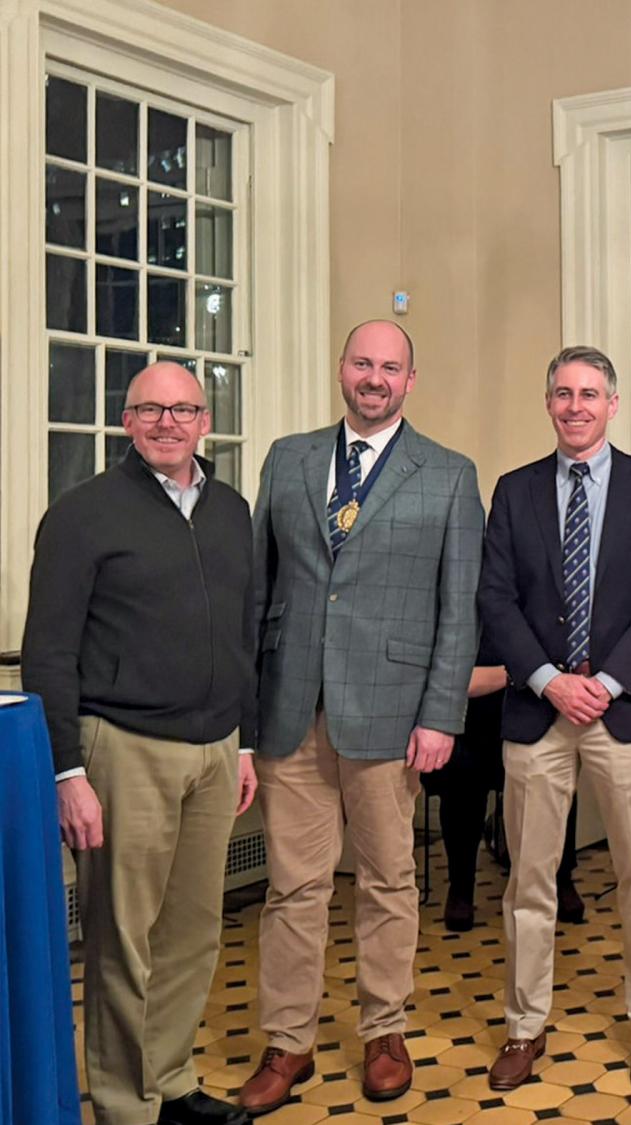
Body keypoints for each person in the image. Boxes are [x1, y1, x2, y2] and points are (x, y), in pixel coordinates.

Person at [240, 320, 484, 1112]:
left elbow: (460, 610)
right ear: (342, 370)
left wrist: (442, 713)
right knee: (293, 887)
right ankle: (288, 1043)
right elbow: (257, 588)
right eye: (362, 363)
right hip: (290, 708)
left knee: (387, 880)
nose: (374, 377)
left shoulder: (448, 474)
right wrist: (245, 715)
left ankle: (384, 1028)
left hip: (392, 713)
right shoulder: (289, 458)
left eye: (390, 366)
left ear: (412, 380)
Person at [22, 362, 257, 1125]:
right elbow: (48, 652)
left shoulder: (231, 510)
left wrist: (246, 745)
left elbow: (247, 634)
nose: (167, 422)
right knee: (124, 940)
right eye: (150, 409)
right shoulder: (82, 514)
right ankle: (127, 1107)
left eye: (183, 409)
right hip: (122, 749)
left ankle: (174, 1079)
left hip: (216, 751)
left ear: (205, 421)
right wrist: (67, 770)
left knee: (192, 931)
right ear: (126, 421)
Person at [478, 345, 631, 1092]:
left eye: (589, 393)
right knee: (529, 881)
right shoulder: (515, 490)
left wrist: (607, 680)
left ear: (613, 404)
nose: (575, 406)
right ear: (549, 403)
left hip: (622, 711)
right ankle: (523, 1026)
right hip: (537, 712)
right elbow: (495, 598)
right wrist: (549, 679)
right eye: (563, 393)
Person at [427, 662, 584, 933]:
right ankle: (461, 886)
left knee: (555, 778)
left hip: (534, 697)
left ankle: (561, 876)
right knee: (461, 780)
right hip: (473, 703)